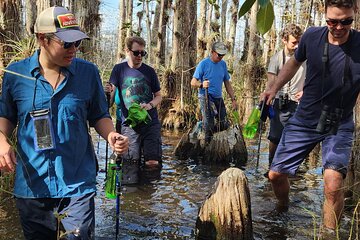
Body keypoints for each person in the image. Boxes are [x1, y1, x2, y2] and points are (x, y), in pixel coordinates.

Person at [0, 6, 128, 240]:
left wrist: (111, 136)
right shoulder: (15, 74)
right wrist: (1, 142)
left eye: (77, 43)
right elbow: (6, 117)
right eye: (66, 44)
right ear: (42, 39)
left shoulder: (88, 73)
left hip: (77, 183)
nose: (74, 50)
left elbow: (99, 115)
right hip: (32, 185)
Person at [261, 0, 360, 235]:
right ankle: (282, 207)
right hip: (305, 117)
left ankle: (327, 234)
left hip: (340, 122)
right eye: (332, 21)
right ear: (324, 15)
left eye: (345, 21)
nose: (338, 27)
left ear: (355, 13)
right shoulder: (312, 37)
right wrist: (274, 88)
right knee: (275, 174)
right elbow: (294, 63)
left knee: (334, 184)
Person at [106, 36, 162, 184]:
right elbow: (111, 96)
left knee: (152, 162)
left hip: (150, 122)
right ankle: (132, 194)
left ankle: (148, 194)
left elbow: (158, 96)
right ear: (127, 51)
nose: (139, 56)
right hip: (129, 124)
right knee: (130, 163)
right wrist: (107, 92)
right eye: (136, 52)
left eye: (143, 53)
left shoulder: (149, 71)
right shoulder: (119, 69)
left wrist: (149, 105)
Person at [265, 24, 306, 177]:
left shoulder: (305, 57)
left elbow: (314, 76)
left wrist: (305, 90)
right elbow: (271, 81)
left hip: (299, 104)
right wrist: (269, 94)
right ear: (284, 40)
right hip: (280, 102)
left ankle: (291, 170)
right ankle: (272, 166)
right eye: (293, 42)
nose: (297, 46)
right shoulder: (276, 58)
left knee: (296, 138)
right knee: (275, 137)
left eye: (299, 42)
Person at [191, 42, 238, 142]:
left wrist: (233, 99)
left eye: (223, 55)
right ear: (212, 52)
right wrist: (201, 85)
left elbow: (227, 83)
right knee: (209, 124)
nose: (221, 57)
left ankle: (216, 141)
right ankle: (206, 144)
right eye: (219, 55)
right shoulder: (203, 64)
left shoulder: (223, 65)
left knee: (224, 123)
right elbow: (193, 82)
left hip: (218, 97)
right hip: (205, 96)